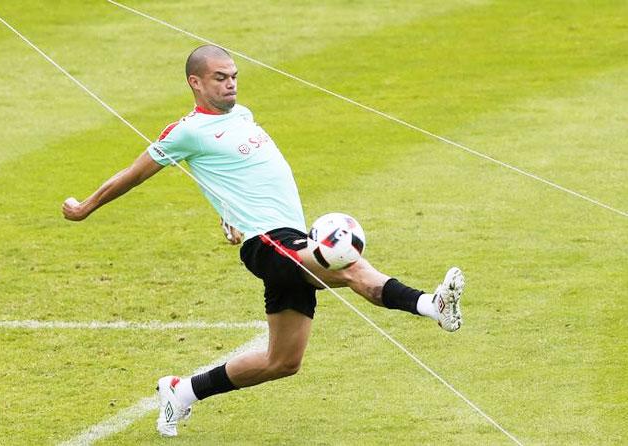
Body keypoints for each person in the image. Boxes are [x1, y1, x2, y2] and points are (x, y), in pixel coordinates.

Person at [62, 44, 465, 437]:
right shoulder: (187, 132)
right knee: (343, 260)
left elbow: (233, 177)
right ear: (195, 82)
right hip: (267, 243)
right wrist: (85, 207)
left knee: (282, 361)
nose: (231, 84)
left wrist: (226, 214)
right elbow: (132, 175)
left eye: (234, 77)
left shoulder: (242, 114)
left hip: (289, 236)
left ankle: (181, 390)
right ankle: (432, 305)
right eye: (220, 78)